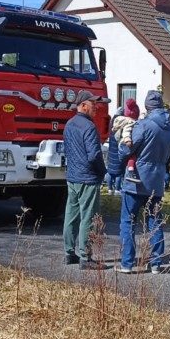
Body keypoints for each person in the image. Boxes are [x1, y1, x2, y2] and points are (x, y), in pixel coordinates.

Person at [110, 90, 170, 274]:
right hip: (157, 181)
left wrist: (121, 145)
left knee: (128, 222)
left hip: (136, 180)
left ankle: (127, 263)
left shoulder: (144, 125)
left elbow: (127, 149)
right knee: (154, 221)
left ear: (147, 106)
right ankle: (156, 263)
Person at [62, 89, 110, 269]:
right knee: (88, 218)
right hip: (87, 178)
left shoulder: (69, 124)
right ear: (83, 106)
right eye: (93, 105)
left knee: (71, 215)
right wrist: (102, 171)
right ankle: (85, 256)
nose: (96, 108)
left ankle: (69, 253)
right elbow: (94, 155)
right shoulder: (89, 127)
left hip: (72, 177)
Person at [114, 98, 141, 183]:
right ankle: (130, 171)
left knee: (130, 158)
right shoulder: (130, 122)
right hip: (125, 143)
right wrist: (127, 139)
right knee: (132, 157)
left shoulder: (126, 120)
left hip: (122, 144)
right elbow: (127, 131)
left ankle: (130, 172)